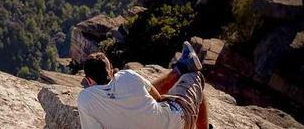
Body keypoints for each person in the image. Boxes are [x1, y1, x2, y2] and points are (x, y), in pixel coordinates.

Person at [76, 42, 209, 129]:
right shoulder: (127, 76)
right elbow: (157, 97)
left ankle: (179, 70)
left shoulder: (85, 99)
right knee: (195, 79)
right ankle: (181, 68)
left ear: (89, 80)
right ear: (110, 71)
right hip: (178, 122)